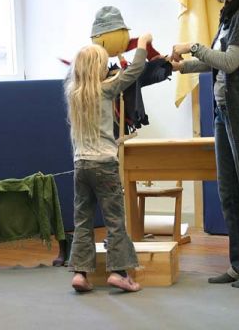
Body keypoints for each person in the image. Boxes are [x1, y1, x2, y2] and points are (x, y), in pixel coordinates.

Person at [171, 0, 239, 288]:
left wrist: (193, 46)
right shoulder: (229, 16)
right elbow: (216, 60)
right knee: (229, 193)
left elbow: (230, 62)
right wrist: (181, 66)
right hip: (223, 115)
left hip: (237, 117)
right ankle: (238, 265)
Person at [64, 33, 152, 292]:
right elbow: (134, 70)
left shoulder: (73, 93)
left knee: (82, 220)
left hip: (81, 165)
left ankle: (80, 273)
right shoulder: (106, 89)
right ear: (98, 69)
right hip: (104, 163)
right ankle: (119, 272)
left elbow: (77, 73)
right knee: (115, 219)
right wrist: (142, 43)